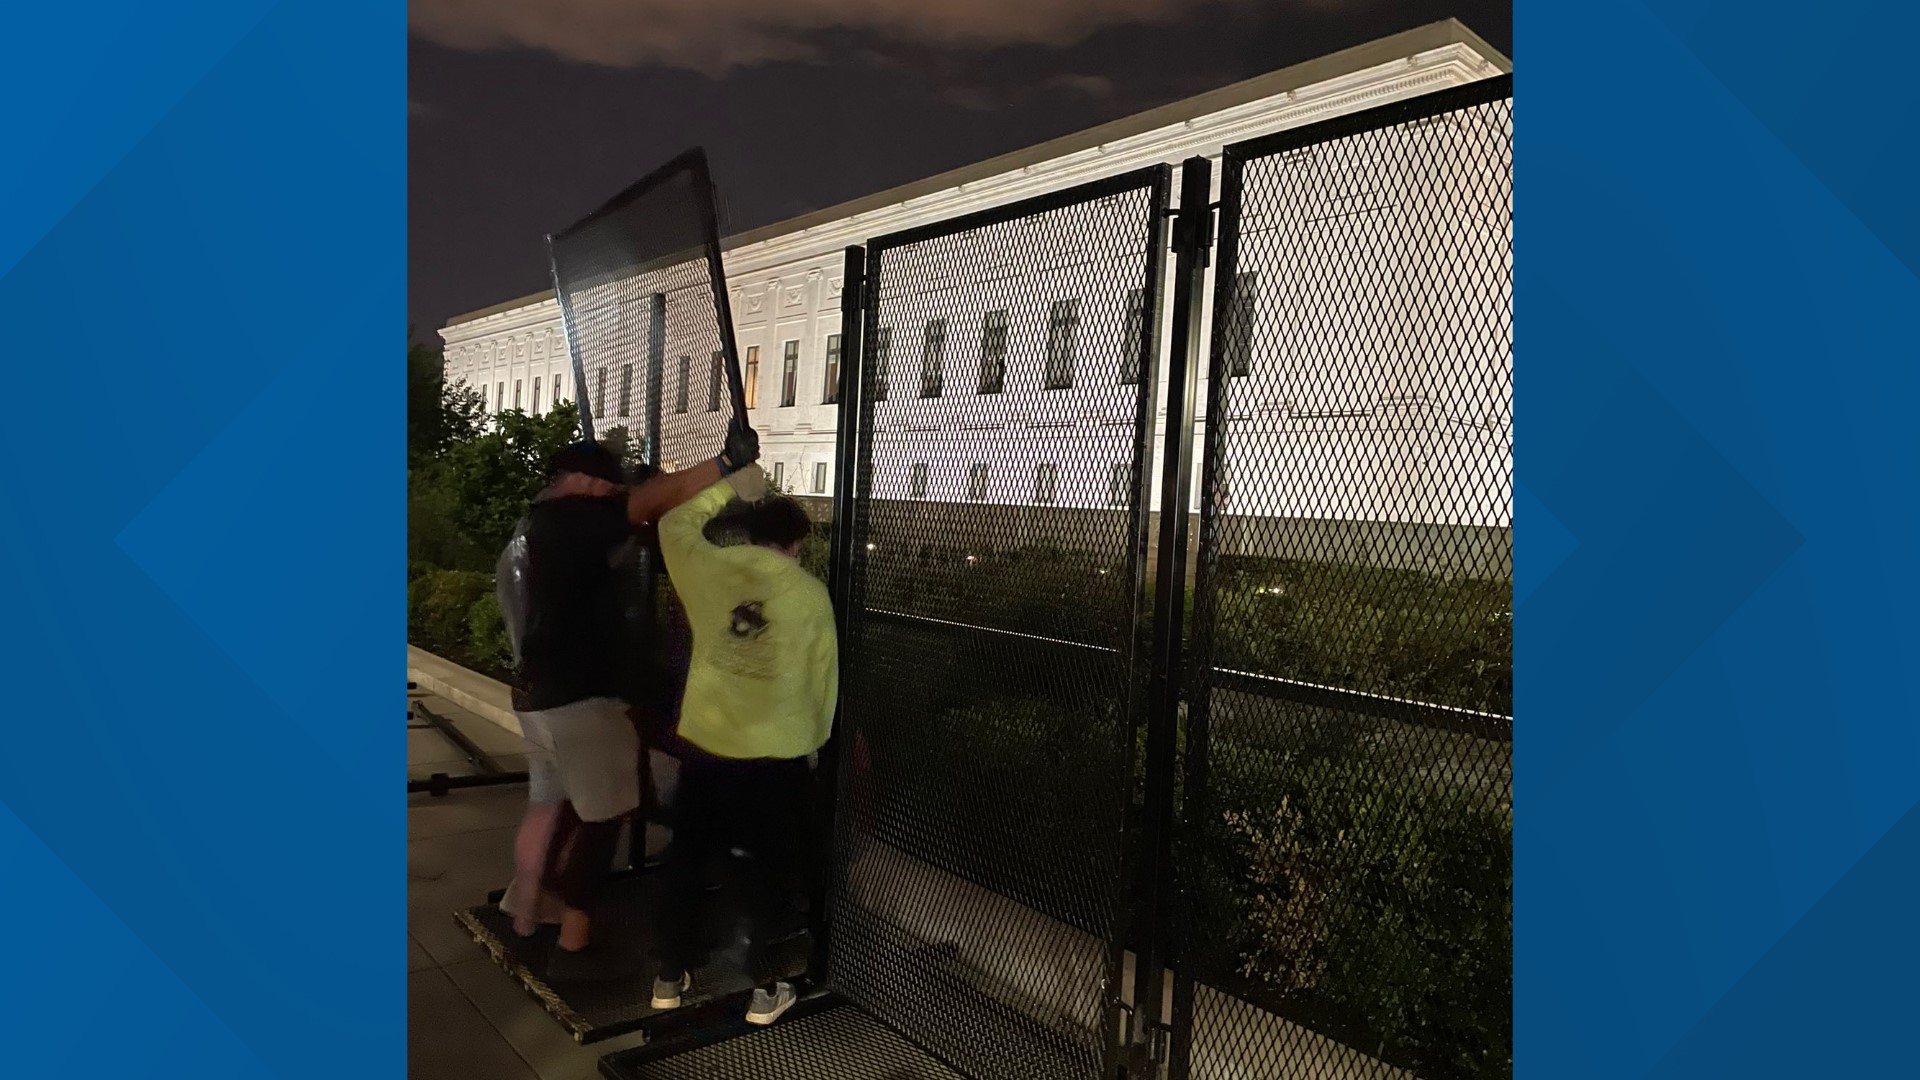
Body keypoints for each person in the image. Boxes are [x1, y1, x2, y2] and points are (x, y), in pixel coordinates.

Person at [646, 437, 838, 1028]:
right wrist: (812, 746)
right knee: (766, 871)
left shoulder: (710, 569)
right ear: (799, 543)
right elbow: (821, 681)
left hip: (707, 747)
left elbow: (675, 523)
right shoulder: (809, 595)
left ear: (750, 534)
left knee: (687, 857)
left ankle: (669, 976)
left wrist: (733, 483)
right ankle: (766, 987)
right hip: (773, 757)